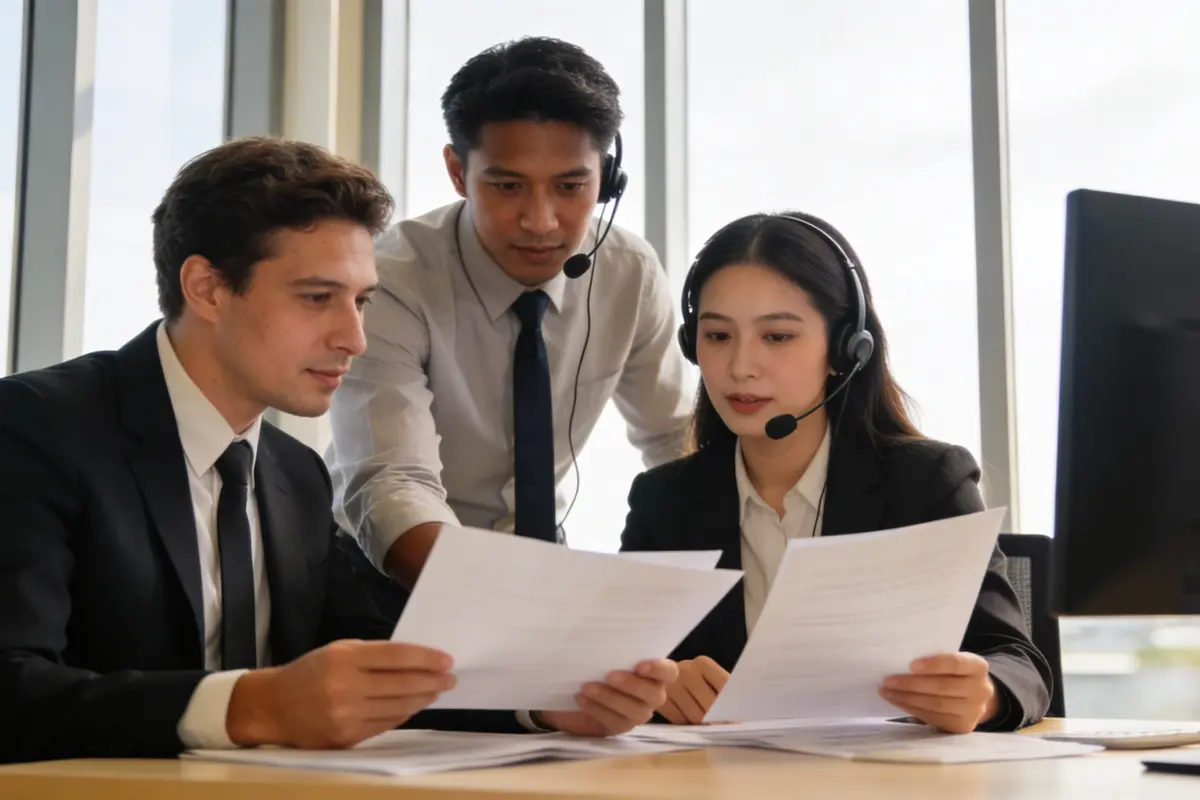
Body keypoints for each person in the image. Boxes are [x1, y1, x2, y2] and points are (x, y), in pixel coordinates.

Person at [0, 137, 676, 764]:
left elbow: (378, 663)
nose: (355, 337)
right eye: (318, 298)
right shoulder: (35, 429)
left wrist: (544, 702)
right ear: (206, 287)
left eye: (361, 301)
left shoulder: (294, 475)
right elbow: (12, 684)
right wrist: (252, 705)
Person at [620, 211, 1054, 734]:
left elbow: (1017, 661)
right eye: (717, 336)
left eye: (777, 337)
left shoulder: (927, 483)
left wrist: (984, 694)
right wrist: (658, 682)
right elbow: (619, 667)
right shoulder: (664, 501)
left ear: (844, 349)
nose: (740, 367)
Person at [325, 37, 692, 603]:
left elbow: (674, 442)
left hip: (537, 569)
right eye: (507, 185)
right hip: (390, 572)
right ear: (456, 171)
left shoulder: (627, 273)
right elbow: (393, 483)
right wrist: (503, 608)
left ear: (608, 177)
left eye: (572, 187)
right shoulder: (392, 279)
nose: (541, 221)